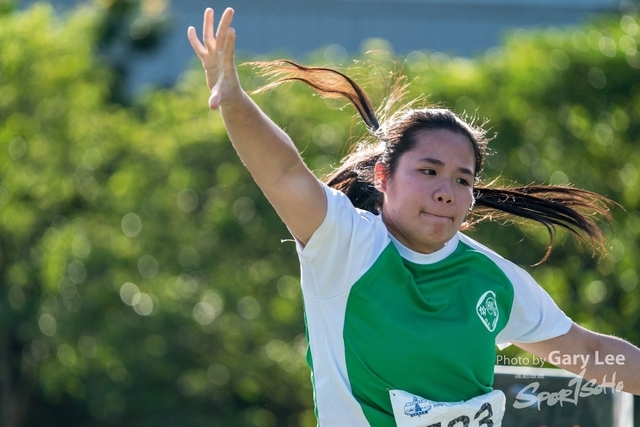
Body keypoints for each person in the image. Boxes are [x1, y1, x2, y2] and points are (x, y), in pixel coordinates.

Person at [187, 7, 640, 427]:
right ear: (383, 175)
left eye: (463, 181)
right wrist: (233, 101)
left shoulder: (493, 279)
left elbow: (593, 351)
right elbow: (285, 172)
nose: (447, 192)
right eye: (428, 172)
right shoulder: (345, 245)